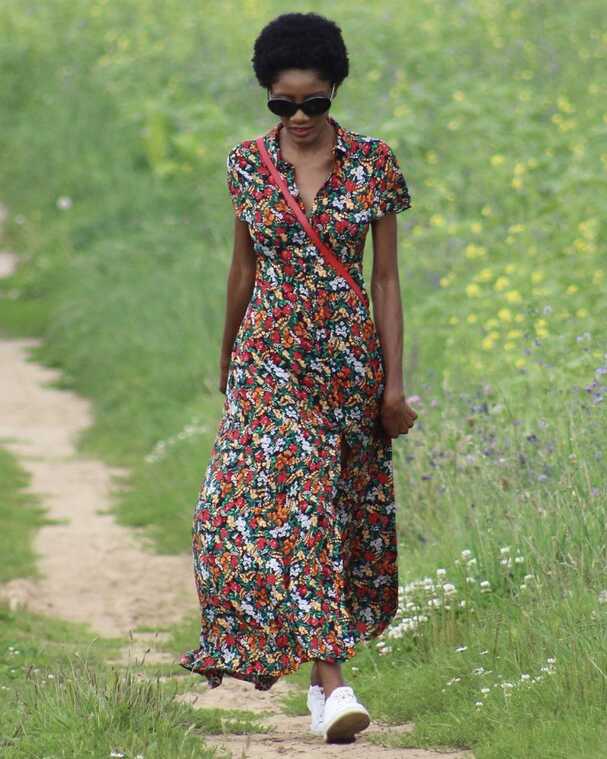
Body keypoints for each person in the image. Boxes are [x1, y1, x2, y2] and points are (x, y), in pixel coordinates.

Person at [179, 11, 418, 743]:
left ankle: (324, 682)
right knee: (237, 514)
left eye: (314, 101)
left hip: (346, 365)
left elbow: (384, 281)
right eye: (284, 103)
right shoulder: (246, 165)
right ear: (268, 98)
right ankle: (331, 682)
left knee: (331, 515)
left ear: (334, 90)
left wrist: (391, 386)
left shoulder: (372, 162)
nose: (301, 117)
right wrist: (227, 357)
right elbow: (242, 267)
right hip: (268, 359)